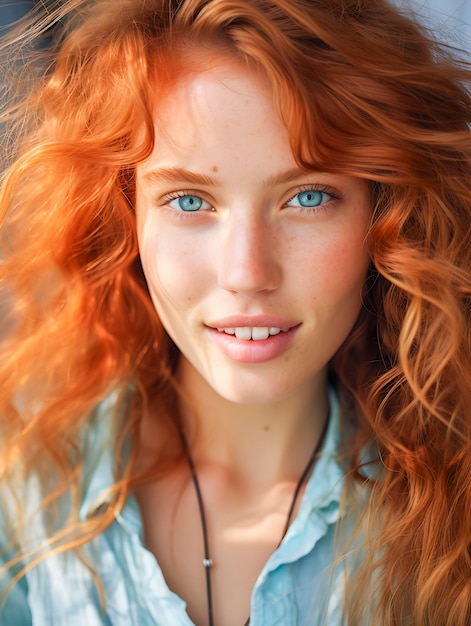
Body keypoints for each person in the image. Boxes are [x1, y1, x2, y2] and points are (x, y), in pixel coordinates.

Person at [0, 0, 470, 624]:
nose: (247, 274)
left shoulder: (454, 516)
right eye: (190, 200)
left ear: (389, 218)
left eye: (308, 196)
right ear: (123, 217)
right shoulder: (27, 491)